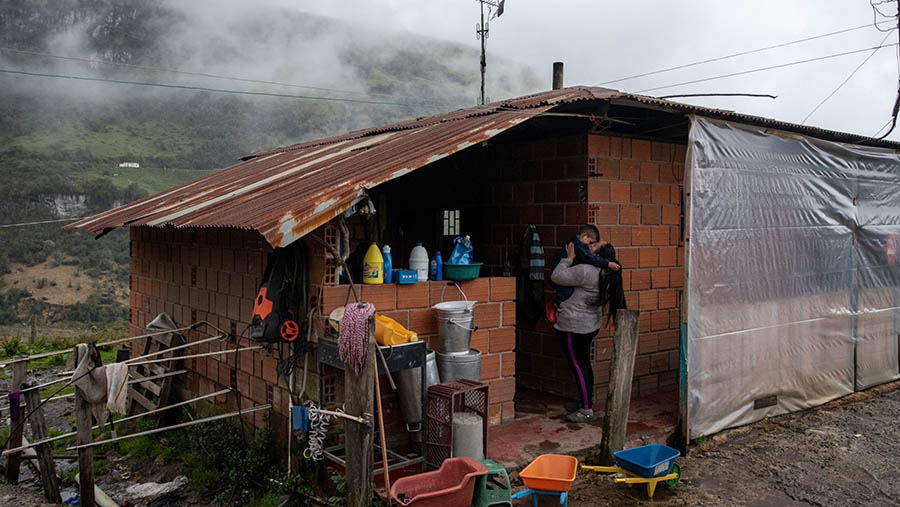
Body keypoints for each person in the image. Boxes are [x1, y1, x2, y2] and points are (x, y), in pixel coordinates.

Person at [550, 241, 626, 423]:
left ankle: (586, 409)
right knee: (584, 364)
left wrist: (568, 259)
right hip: (590, 325)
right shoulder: (609, 273)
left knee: (578, 365)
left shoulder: (586, 270)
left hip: (574, 325)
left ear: (598, 256)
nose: (588, 248)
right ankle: (585, 402)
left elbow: (557, 277)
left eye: (592, 246)